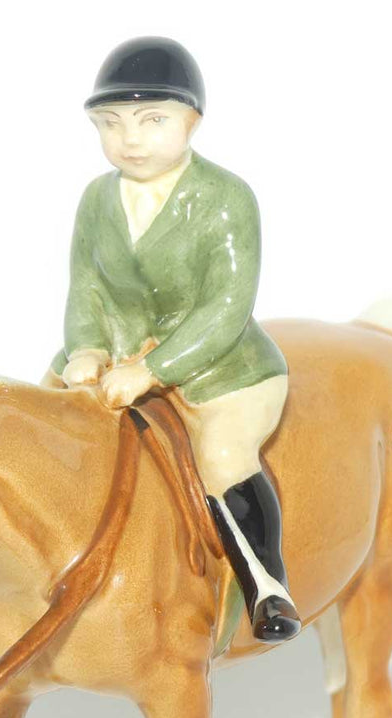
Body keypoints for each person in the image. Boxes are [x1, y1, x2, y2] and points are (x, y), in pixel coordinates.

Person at [49, 37, 300, 643]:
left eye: (152, 120)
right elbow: (86, 286)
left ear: (192, 121)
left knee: (222, 457)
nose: (130, 139)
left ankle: (267, 585)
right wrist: (86, 348)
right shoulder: (96, 199)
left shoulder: (227, 198)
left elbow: (227, 307)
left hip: (222, 367)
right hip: (114, 357)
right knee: (45, 426)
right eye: (111, 124)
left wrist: (154, 370)